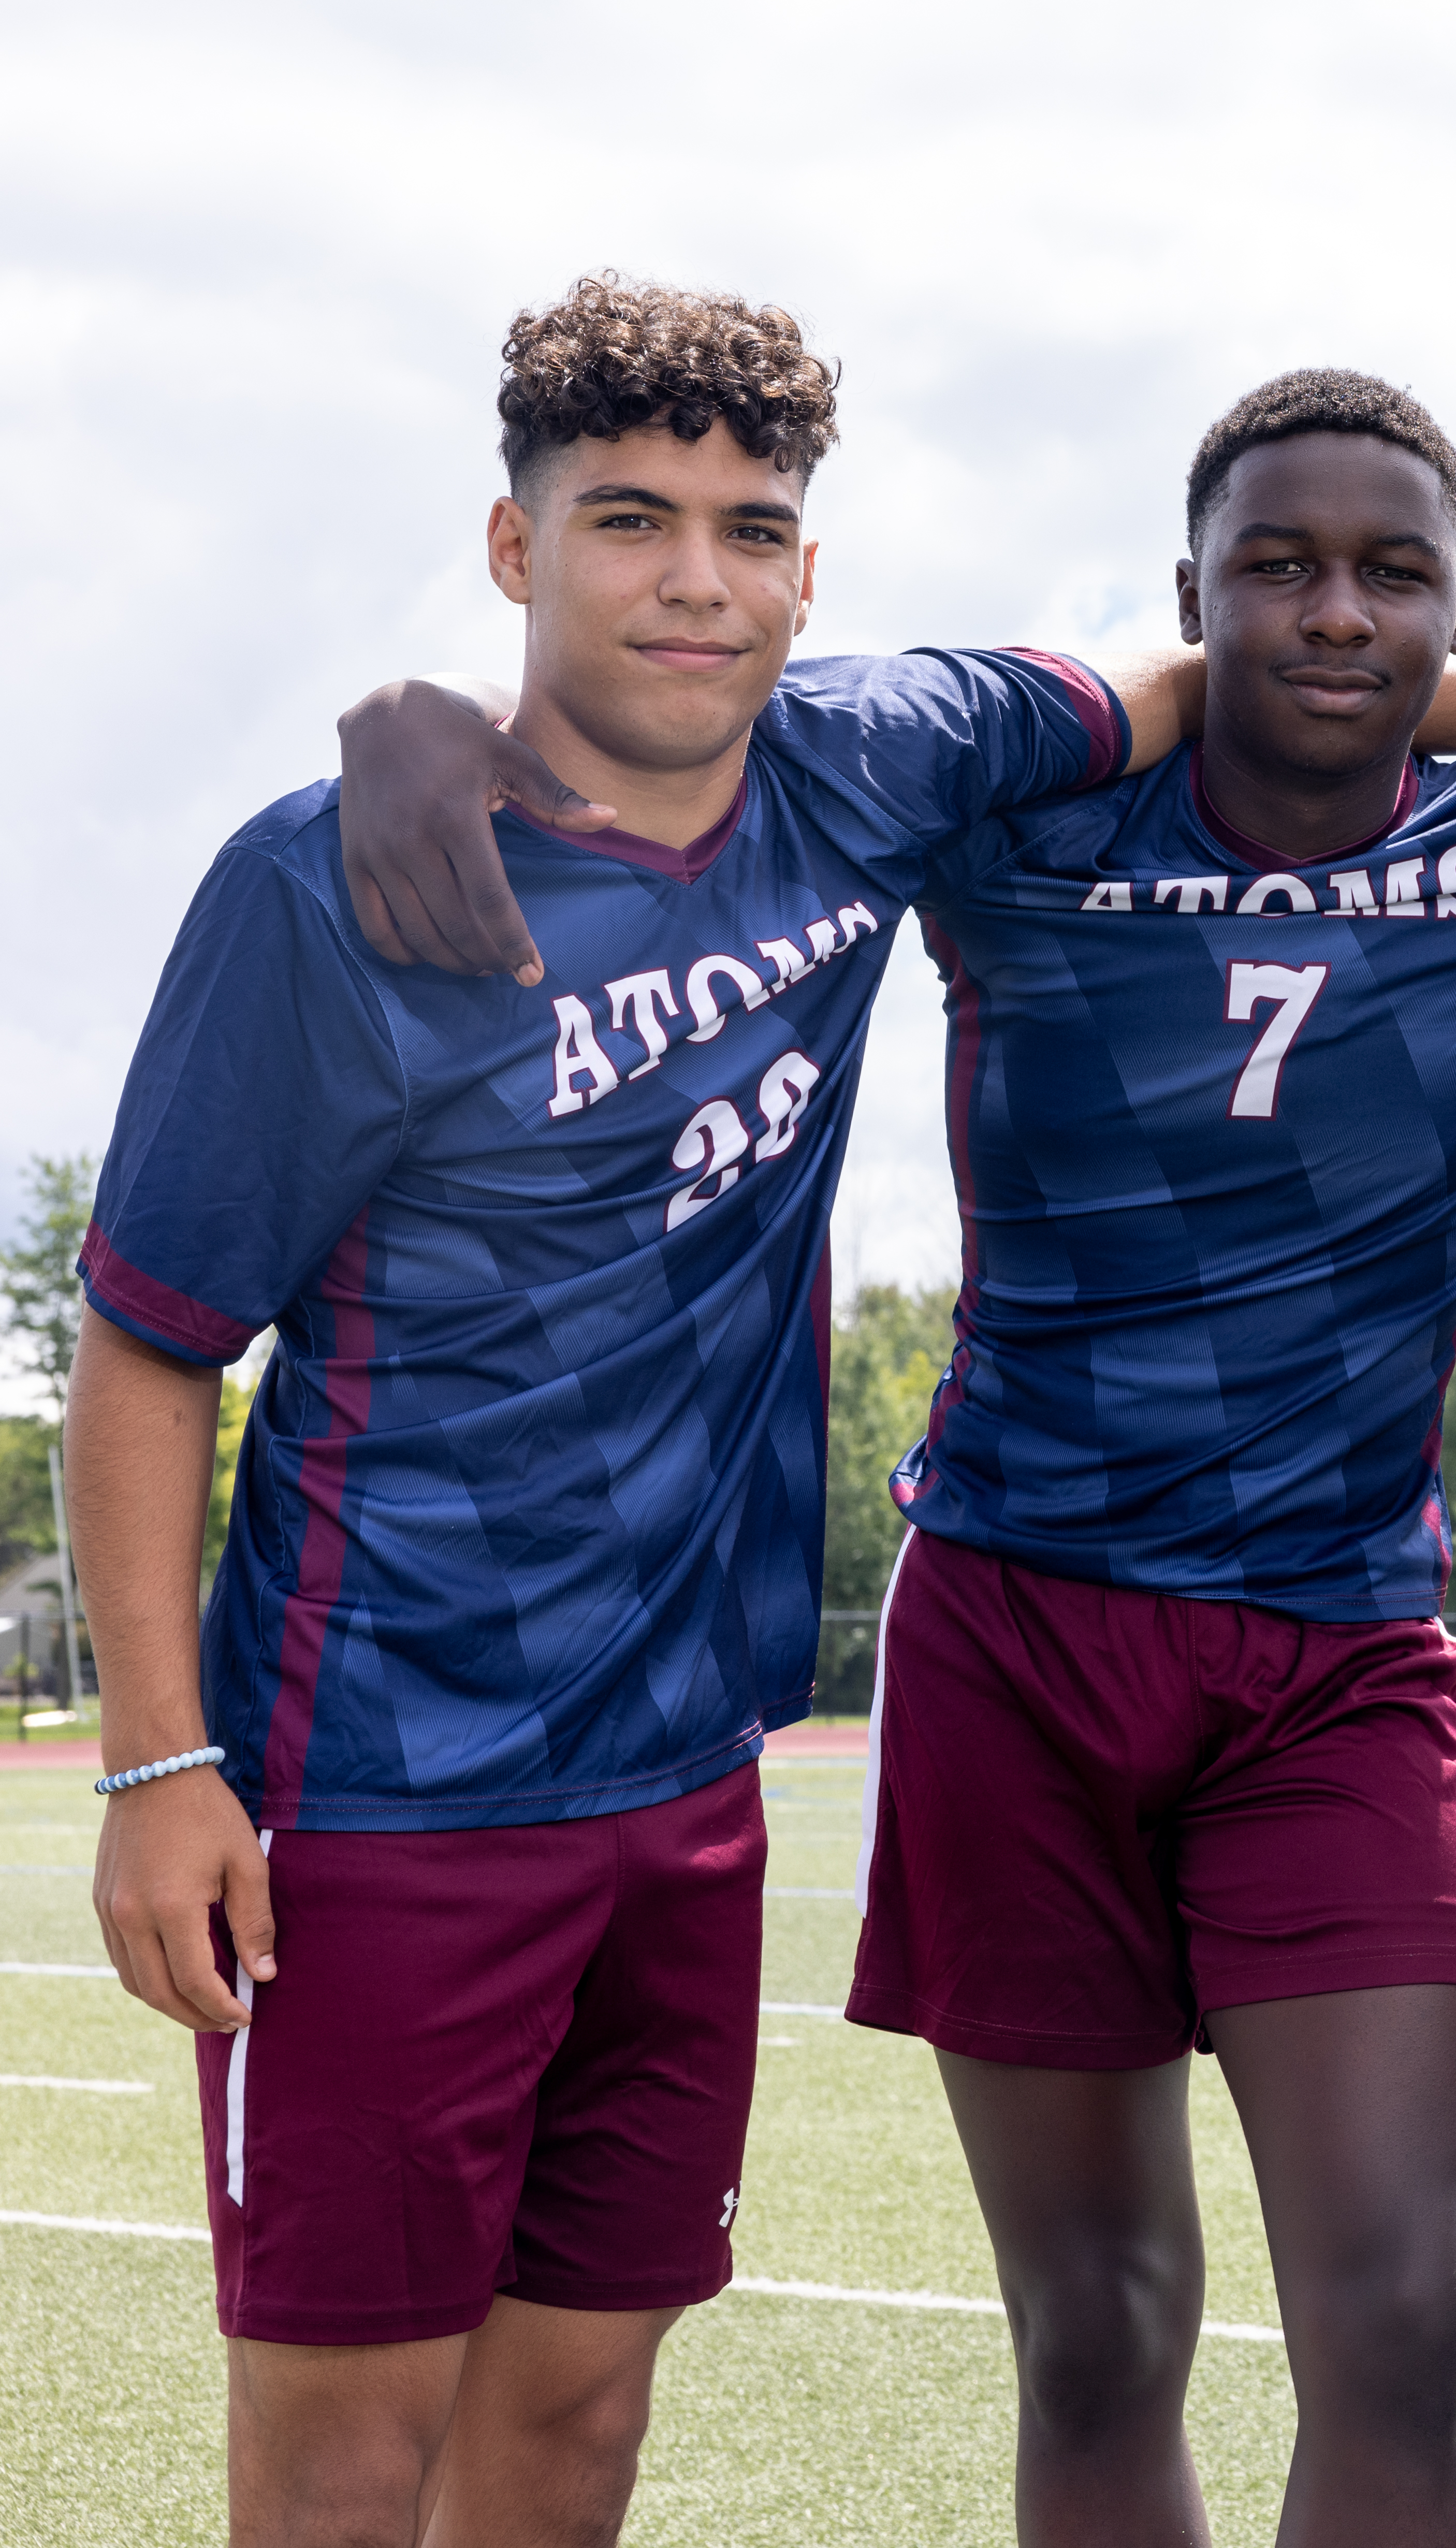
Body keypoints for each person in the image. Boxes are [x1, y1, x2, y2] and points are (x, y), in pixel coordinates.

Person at [332, 363, 1456, 2548]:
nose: (1338, 612)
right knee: (1101, 2326)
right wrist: (413, 709)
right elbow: (689, 710)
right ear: (1192, 595)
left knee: (1403, 2312)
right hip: (1019, 1642)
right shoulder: (1021, 814)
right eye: (1281, 570)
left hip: (1336, 1652)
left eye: (1394, 575)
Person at [74, 273, 1192, 2548]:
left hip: (685, 1782)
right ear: (516, 553)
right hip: (378, 1794)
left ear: (811, 566)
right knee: (341, 2456)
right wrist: (155, 1765)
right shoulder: (333, 885)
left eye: (750, 527)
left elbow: (1204, 680)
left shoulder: (871, 759)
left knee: (580, 2424)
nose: (696, 578)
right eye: (627, 520)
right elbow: (149, 1342)